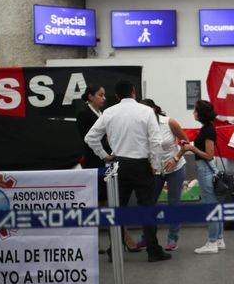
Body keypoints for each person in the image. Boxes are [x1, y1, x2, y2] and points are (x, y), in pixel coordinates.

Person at [84, 80, 171, 262]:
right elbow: (155, 142)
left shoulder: (109, 112)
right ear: (133, 92)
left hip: (117, 165)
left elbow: (90, 137)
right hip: (141, 165)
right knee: (147, 209)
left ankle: (113, 250)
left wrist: (105, 155)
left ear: (116, 96)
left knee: (115, 210)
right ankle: (153, 250)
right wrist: (155, 165)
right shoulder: (146, 111)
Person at [76, 84, 140, 254]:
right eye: (100, 95)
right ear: (90, 96)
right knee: (98, 204)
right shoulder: (84, 114)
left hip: (108, 163)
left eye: (104, 95)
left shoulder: (103, 114)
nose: (104, 98)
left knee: (111, 202)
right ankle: (104, 242)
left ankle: (122, 240)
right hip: (94, 164)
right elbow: (89, 139)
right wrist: (104, 154)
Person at [140, 99, 188, 251]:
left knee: (173, 204)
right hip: (155, 170)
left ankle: (172, 238)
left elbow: (186, 142)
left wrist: (176, 158)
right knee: (149, 204)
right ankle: (147, 238)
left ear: (154, 109)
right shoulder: (141, 126)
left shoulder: (169, 122)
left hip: (175, 168)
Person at [182, 100, 224, 255]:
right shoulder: (206, 129)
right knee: (215, 207)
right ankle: (219, 239)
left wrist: (192, 148)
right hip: (205, 171)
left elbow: (209, 155)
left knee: (211, 208)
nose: (193, 113)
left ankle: (212, 242)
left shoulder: (208, 131)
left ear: (201, 113)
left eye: (195, 110)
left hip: (205, 171)